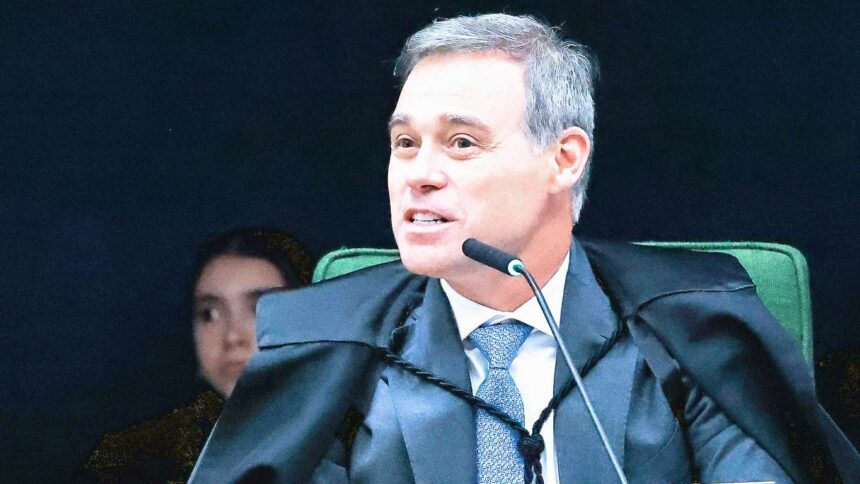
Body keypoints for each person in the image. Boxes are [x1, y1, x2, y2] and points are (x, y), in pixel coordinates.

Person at [190, 14, 859, 484]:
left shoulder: (692, 323)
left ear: (563, 159)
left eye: (461, 142)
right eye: (404, 143)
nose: (418, 174)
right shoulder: (325, 343)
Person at [86, 228, 312, 483]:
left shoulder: (346, 448)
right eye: (209, 314)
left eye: (261, 308)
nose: (232, 337)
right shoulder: (127, 461)